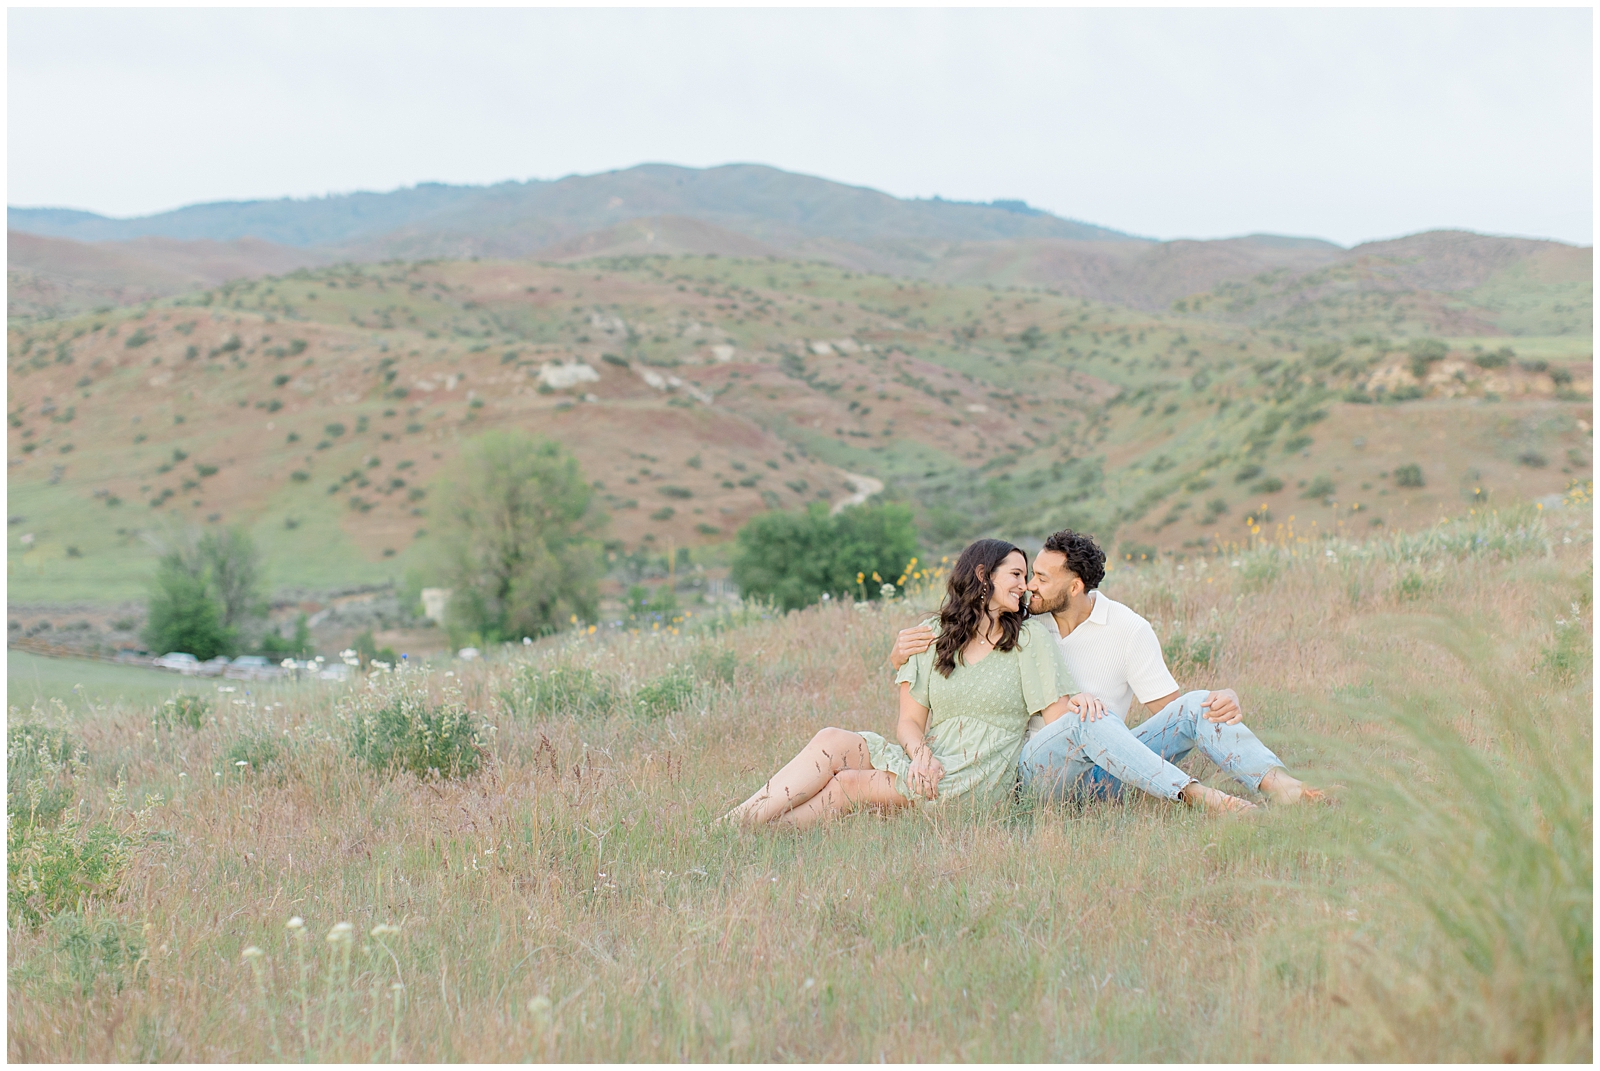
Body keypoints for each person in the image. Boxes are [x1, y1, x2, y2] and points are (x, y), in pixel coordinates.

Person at [890, 529, 1323, 810]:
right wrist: (898, 657)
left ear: (1074, 586)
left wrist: (1217, 699)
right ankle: (1197, 797)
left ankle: (1281, 787)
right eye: (1028, 575)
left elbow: (1169, 711)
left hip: (1112, 768)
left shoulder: (1128, 629)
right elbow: (964, 647)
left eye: (1041, 578)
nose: (1028, 587)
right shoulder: (1022, 624)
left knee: (1193, 705)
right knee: (1083, 717)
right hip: (1039, 771)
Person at [723, 538, 1096, 829]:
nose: (1025, 585)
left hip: (978, 775)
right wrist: (920, 755)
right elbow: (909, 722)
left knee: (852, 783)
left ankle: (753, 831)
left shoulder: (1029, 639)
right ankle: (740, 824)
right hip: (930, 759)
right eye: (1016, 574)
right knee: (831, 739)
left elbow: (1057, 721)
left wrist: (1081, 701)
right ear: (984, 576)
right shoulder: (932, 635)